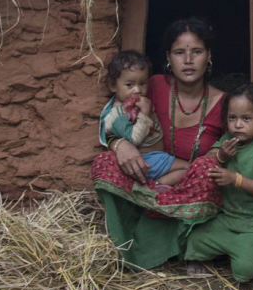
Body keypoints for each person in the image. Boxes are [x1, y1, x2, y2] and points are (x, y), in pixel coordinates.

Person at [91, 17, 227, 270]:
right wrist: (120, 144)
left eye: (196, 51)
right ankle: (126, 247)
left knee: (207, 172)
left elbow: (233, 143)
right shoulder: (151, 85)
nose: (188, 60)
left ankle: (192, 249)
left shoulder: (223, 102)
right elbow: (112, 115)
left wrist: (215, 155)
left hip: (187, 188)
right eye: (179, 52)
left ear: (209, 56)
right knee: (105, 161)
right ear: (168, 57)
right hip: (146, 179)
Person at [184, 82, 253, 283]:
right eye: (232, 118)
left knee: (243, 272)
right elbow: (209, 158)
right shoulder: (228, 139)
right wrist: (220, 155)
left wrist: (234, 179)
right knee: (192, 239)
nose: (238, 125)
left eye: (246, 118)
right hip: (227, 219)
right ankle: (230, 250)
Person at [98, 50, 188, 189]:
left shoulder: (132, 106)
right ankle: (156, 187)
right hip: (146, 160)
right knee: (189, 169)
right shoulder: (117, 114)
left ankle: (156, 187)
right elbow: (134, 140)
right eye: (129, 85)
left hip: (153, 158)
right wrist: (145, 114)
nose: (137, 90)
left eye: (143, 83)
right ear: (113, 86)